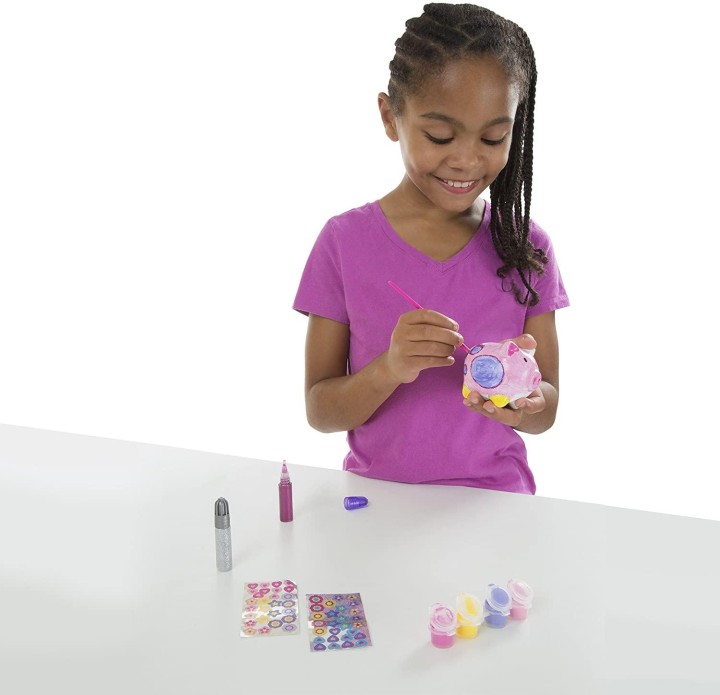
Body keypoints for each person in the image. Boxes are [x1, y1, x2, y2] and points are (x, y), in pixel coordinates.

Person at [293, 3, 569, 494]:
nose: (466, 160)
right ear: (390, 117)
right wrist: (390, 368)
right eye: (440, 136)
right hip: (378, 504)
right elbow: (321, 411)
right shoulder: (344, 242)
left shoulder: (526, 247)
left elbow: (546, 411)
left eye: (493, 138)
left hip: (498, 503)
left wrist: (524, 400)